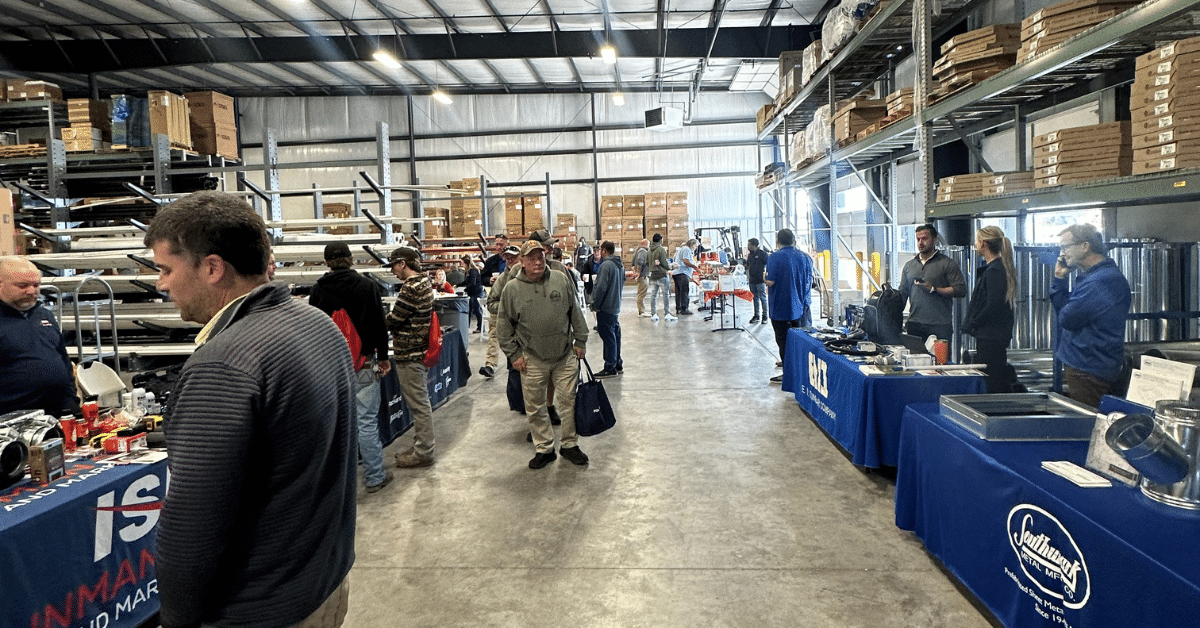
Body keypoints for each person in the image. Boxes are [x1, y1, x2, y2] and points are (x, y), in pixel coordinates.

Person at [146, 191, 356, 628]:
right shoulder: (315, 322)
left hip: (259, 609)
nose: (160, 284)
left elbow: (192, 526)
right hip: (324, 582)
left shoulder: (224, 364)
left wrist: (177, 618)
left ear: (212, 267)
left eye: (166, 269)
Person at [308, 242, 394, 493]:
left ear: (327, 262)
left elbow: (314, 330)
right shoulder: (367, 286)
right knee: (366, 422)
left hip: (331, 367)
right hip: (363, 363)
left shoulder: (317, 291)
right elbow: (379, 324)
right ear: (350, 259)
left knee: (336, 424)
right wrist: (384, 356)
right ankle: (375, 476)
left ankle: (337, 484)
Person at [497, 240, 590, 469]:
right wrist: (514, 354)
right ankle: (544, 448)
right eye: (531, 258)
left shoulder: (560, 278)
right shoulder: (512, 289)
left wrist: (581, 339)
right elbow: (503, 326)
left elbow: (575, 311)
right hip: (531, 358)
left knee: (569, 402)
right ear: (522, 261)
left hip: (565, 354)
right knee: (535, 406)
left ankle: (569, 445)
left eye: (540, 256)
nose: (537, 262)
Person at [1051, 223, 1132, 407]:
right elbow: (1066, 313)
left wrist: (1059, 284)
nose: (1062, 254)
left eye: (1065, 247)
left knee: (1089, 424)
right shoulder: (1093, 278)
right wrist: (1060, 278)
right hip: (1084, 367)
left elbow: (1066, 318)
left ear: (1085, 246)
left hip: (1089, 371)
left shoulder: (1101, 282)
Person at [0, 256, 79, 416]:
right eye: (22, 285)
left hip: (61, 410)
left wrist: (72, 400)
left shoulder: (44, 314)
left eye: (36, 285)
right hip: (15, 418)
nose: (31, 291)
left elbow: (63, 359)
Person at [385, 246, 438, 468]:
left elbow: (394, 319)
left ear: (402, 264)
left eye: (394, 266)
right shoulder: (424, 282)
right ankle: (420, 444)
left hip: (410, 353)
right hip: (420, 350)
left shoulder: (410, 287)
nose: (393, 272)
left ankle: (424, 451)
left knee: (418, 405)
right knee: (420, 402)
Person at [961, 227, 1019, 394]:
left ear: (983, 243)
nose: (974, 244)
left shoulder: (994, 271)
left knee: (993, 380)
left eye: (976, 241)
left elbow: (993, 305)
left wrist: (974, 322)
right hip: (993, 336)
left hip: (991, 337)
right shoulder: (998, 268)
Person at [899, 223, 967, 340]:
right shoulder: (909, 266)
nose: (920, 243)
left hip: (939, 325)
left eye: (924, 239)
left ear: (934, 240)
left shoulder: (947, 263)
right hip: (914, 324)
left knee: (940, 359)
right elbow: (902, 294)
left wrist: (935, 289)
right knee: (915, 358)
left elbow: (961, 290)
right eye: (918, 239)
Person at [765, 229, 814, 384]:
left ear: (778, 241)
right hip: (803, 306)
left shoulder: (775, 257)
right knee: (800, 339)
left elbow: (771, 281)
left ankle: (789, 374)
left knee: (784, 340)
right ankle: (795, 366)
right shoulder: (806, 257)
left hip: (782, 307)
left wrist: (763, 278)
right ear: (794, 240)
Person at [479, 244, 520, 379]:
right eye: (507, 258)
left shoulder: (530, 276)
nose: (509, 261)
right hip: (503, 314)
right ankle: (490, 364)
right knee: (494, 335)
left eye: (513, 258)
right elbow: (491, 303)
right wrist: (505, 308)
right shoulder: (502, 278)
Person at [591, 240, 624, 378]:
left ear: (604, 250)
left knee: (608, 336)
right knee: (615, 334)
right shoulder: (619, 265)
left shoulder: (606, 266)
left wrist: (595, 304)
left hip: (606, 306)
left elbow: (601, 288)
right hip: (615, 305)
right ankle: (617, 363)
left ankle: (610, 366)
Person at [646, 233, 676, 322]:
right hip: (662, 275)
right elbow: (664, 263)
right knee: (665, 295)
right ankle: (667, 314)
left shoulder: (649, 250)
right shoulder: (661, 249)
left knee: (653, 295)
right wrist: (671, 266)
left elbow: (647, 262)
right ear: (660, 240)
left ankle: (653, 314)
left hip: (653, 275)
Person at [671, 238, 700, 315]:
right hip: (682, 273)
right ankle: (684, 309)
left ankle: (678, 308)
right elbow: (686, 261)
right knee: (684, 291)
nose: (695, 248)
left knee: (679, 292)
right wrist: (695, 267)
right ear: (692, 245)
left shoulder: (681, 249)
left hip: (677, 273)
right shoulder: (687, 249)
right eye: (696, 246)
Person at [745, 238, 769, 325]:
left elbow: (768, 264)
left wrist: (766, 276)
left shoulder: (762, 254)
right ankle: (756, 315)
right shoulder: (750, 255)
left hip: (760, 281)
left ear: (754, 245)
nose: (748, 246)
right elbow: (747, 266)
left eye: (749, 245)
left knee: (763, 298)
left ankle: (765, 316)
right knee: (755, 298)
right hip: (752, 280)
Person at [461, 254, 484, 333]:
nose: (462, 265)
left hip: (476, 292)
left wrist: (465, 290)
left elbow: (473, 283)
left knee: (477, 310)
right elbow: (466, 282)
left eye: (463, 263)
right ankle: (466, 327)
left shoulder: (473, 270)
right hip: (472, 293)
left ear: (466, 263)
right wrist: (457, 285)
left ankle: (481, 328)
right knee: (470, 309)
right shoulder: (468, 271)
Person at [632, 238, 650, 316]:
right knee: (641, 294)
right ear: (646, 244)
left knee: (640, 293)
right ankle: (641, 311)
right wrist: (638, 273)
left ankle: (641, 310)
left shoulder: (637, 251)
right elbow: (639, 262)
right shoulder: (643, 251)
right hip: (643, 276)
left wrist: (635, 272)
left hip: (641, 275)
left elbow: (633, 264)